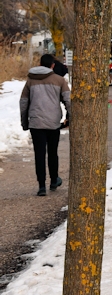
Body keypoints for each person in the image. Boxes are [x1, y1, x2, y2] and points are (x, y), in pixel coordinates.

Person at [19, 54, 71, 196]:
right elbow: (68, 100)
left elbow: (23, 102)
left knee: (39, 154)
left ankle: (41, 186)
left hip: (36, 123)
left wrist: (25, 122)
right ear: (52, 65)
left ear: (40, 64)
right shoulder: (60, 80)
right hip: (53, 122)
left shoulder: (30, 80)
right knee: (53, 152)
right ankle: (54, 180)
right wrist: (69, 117)